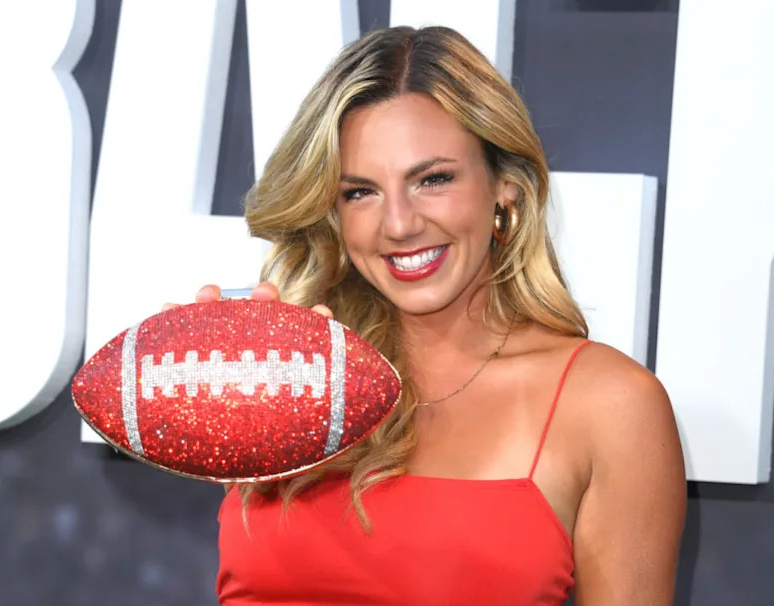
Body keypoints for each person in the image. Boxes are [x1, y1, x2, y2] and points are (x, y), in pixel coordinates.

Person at [173, 25, 685, 605]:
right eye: (359, 192)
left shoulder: (609, 405)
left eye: (433, 179)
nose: (399, 223)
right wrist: (191, 403)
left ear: (506, 187)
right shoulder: (294, 375)